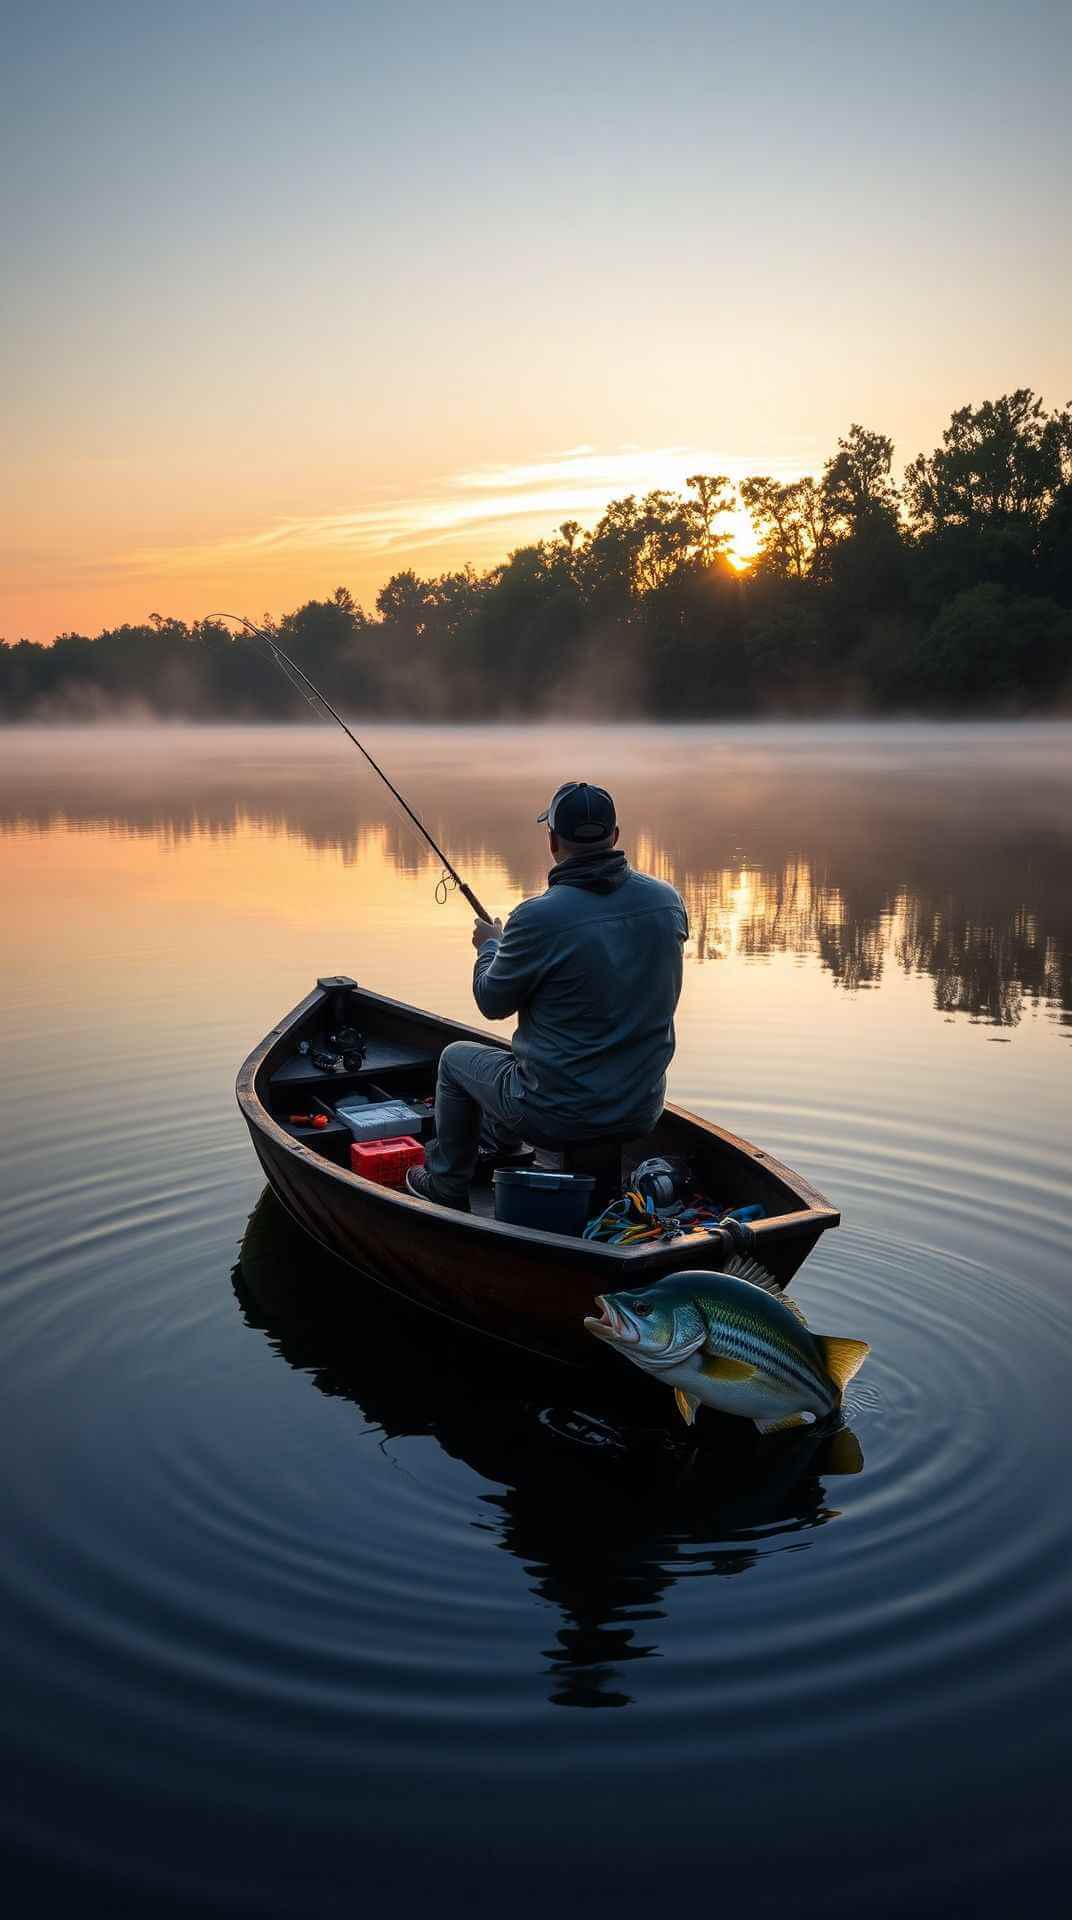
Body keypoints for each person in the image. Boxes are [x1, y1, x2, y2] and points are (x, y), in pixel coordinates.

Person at [405, 781, 689, 1212]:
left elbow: (491, 1002)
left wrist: (490, 945)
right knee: (524, 1057)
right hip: (641, 1109)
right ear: (615, 836)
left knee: (455, 1060)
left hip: (556, 1115)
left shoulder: (537, 918)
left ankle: (446, 1183)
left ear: (553, 841)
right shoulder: (667, 901)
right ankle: (504, 1147)